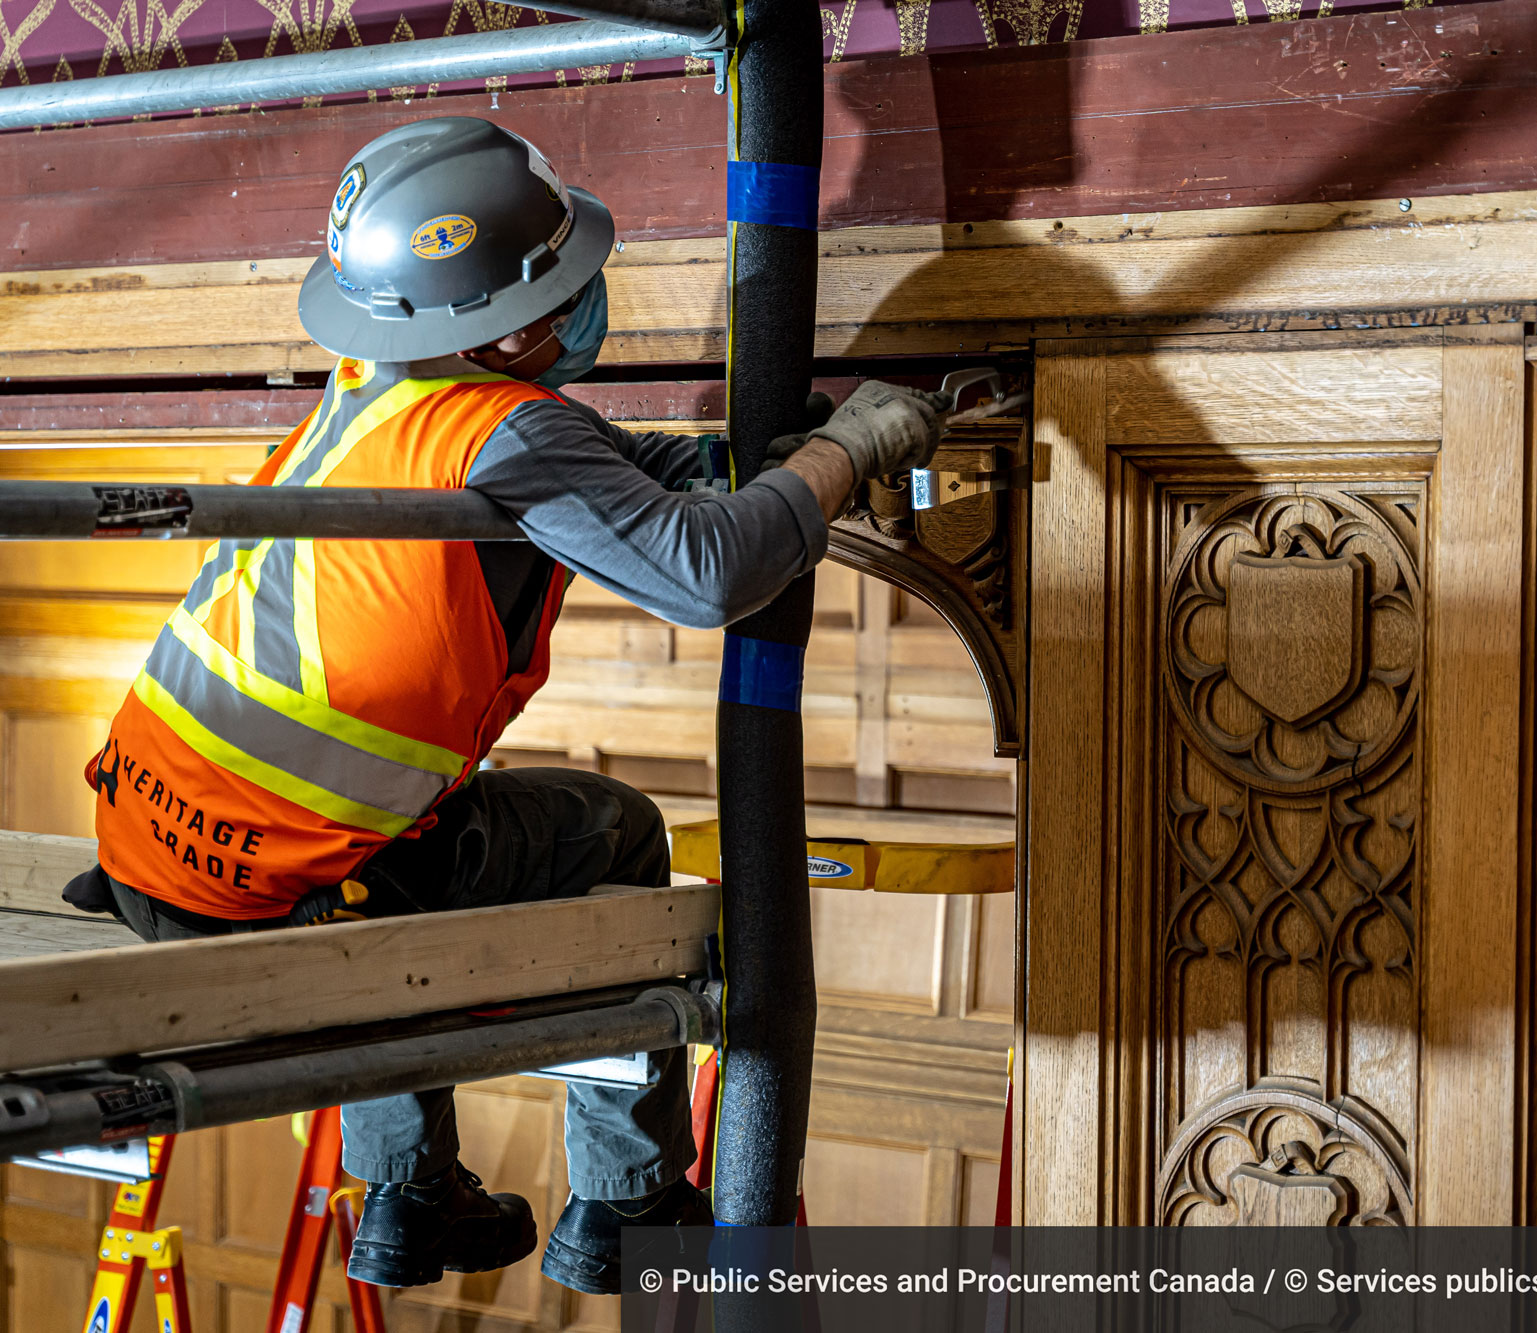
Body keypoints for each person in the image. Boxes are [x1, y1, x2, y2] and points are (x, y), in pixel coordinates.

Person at [58, 116, 943, 1295]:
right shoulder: (507, 426)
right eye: (569, 281)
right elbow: (706, 573)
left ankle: (410, 1202)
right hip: (275, 887)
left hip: (148, 848)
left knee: (391, 864)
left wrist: (737, 468)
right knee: (609, 831)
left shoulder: (372, 391)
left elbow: (585, 469)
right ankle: (625, 1205)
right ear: (517, 320)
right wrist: (841, 452)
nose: (584, 302)